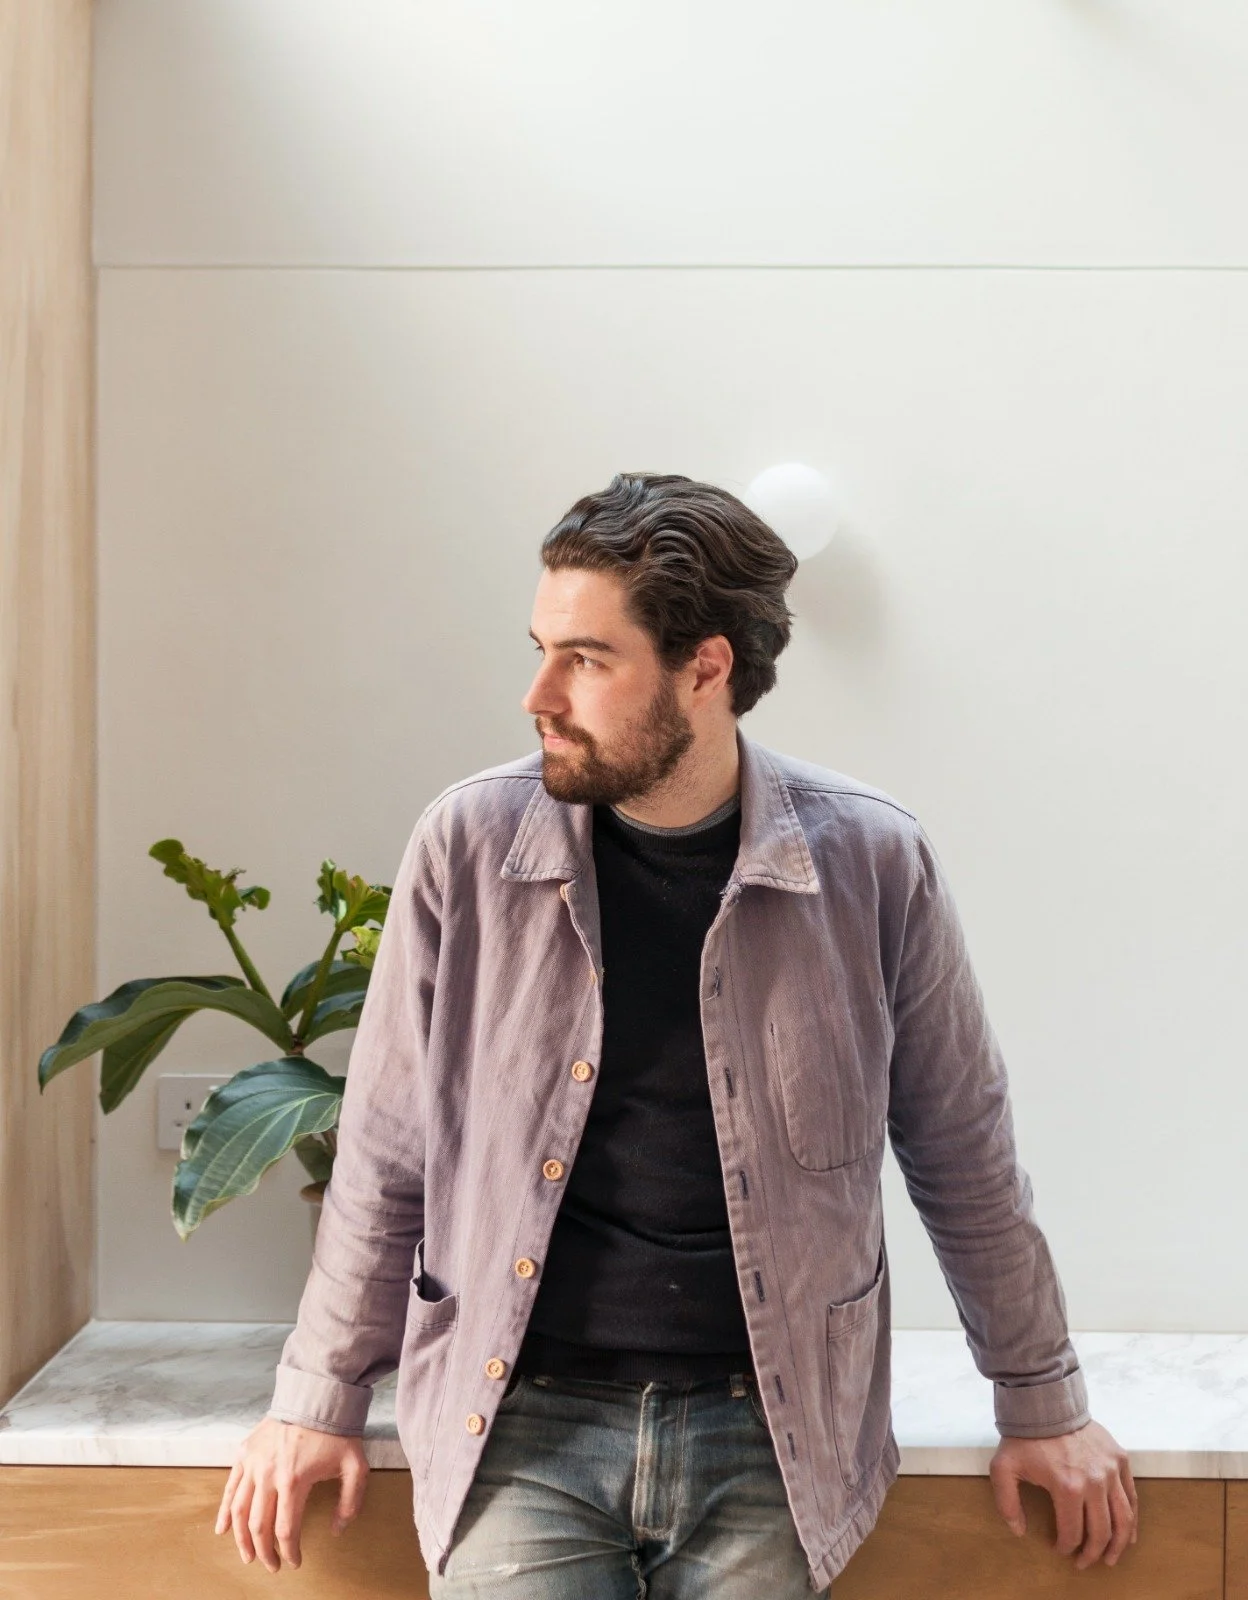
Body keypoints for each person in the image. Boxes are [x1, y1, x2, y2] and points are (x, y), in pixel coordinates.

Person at [215, 472, 1138, 1594]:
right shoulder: (466, 845)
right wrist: (317, 1398)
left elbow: (962, 1149)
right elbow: (386, 1150)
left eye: (586, 659)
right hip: (521, 1423)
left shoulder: (870, 861)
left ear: (707, 667)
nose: (537, 693)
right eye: (542, 647)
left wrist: (1041, 1400)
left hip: (774, 1431)